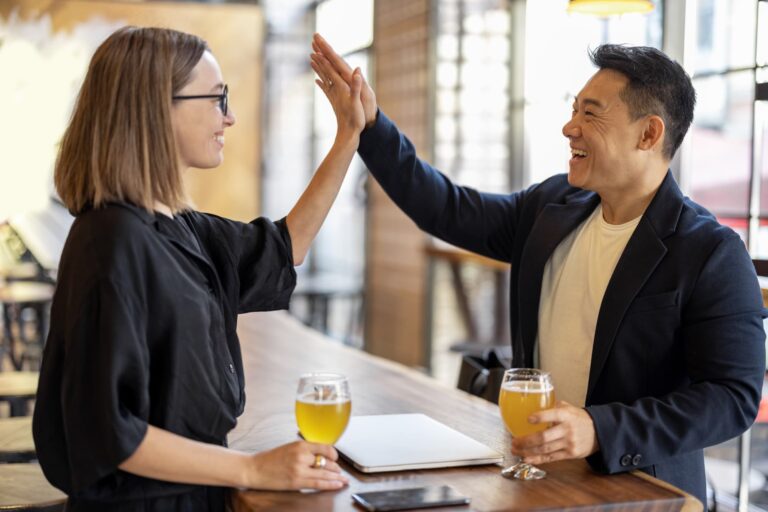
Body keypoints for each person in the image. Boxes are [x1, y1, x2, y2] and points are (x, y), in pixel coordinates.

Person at [311, 34, 766, 503]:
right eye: (573, 110)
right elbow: (445, 208)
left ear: (648, 133)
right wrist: (370, 125)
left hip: (645, 493)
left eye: (590, 114)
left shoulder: (710, 251)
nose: (570, 128)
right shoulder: (551, 206)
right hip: (536, 475)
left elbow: (731, 396)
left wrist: (599, 429)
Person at [32, 26, 365, 510]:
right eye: (216, 99)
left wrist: (348, 137)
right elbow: (106, 431)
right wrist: (251, 468)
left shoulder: (175, 225)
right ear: (155, 108)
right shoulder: (111, 241)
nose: (229, 118)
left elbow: (284, 247)